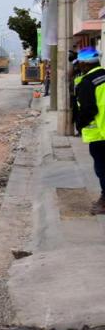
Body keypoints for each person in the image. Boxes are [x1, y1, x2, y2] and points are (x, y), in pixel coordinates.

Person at [73, 48, 105, 213]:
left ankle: (104, 202)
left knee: (102, 169)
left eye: (79, 63)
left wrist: (78, 124)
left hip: (100, 134)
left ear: (84, 63)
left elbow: (88, 110)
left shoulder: (88, 82)